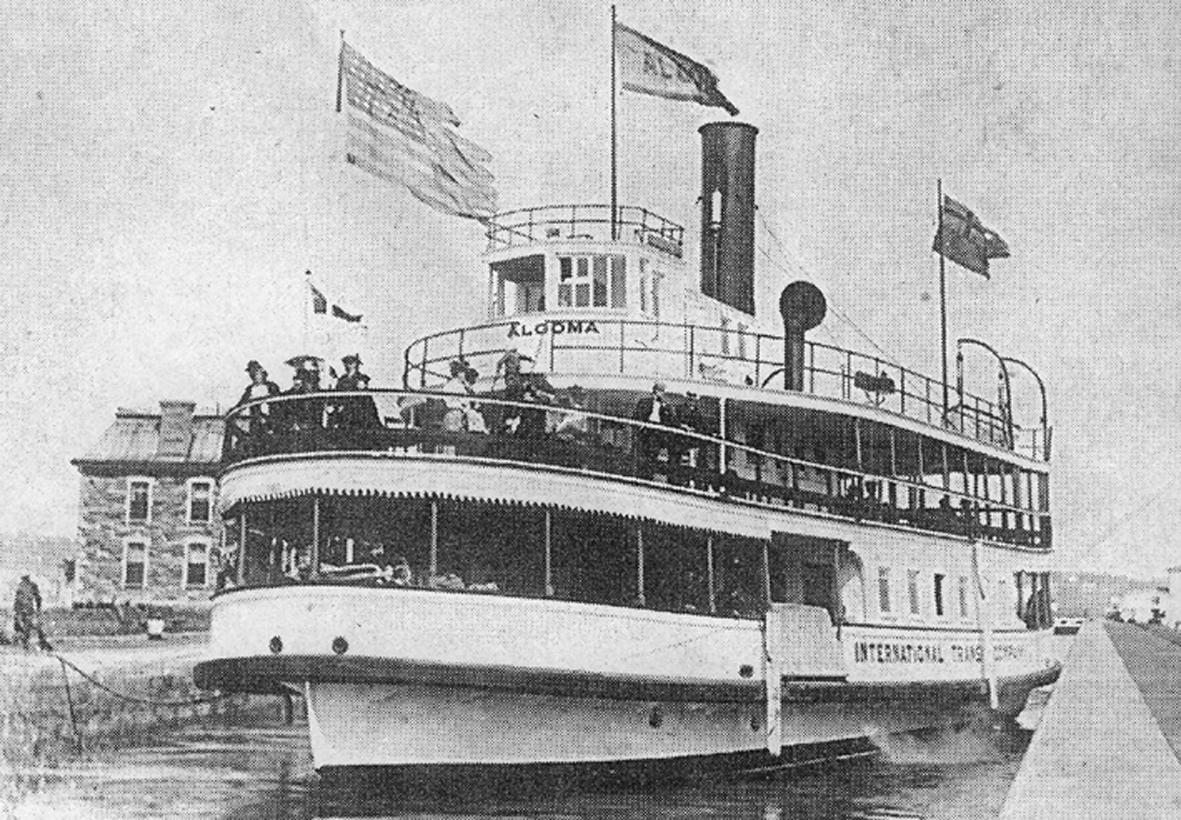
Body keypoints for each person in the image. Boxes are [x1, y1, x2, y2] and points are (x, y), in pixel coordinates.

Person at [632, 381, 672, 478]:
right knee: (642, 452)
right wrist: (640, 425)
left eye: (662, 391)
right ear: (654, 391)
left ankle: (649, 476)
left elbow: (669, 420)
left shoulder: (666, 405)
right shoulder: (644, 401)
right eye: (658, 390)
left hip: (657, 430)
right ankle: (639, 476)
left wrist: (665, 408)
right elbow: (636, 415)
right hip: (646, 428)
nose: (660, 393)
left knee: (653, 454)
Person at [236, 361, 280, 445]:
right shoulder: (250, 389)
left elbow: (277, 401)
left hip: (272, 421)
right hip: (257, 423)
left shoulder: (272, 386)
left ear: (262, 373)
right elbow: (241, 404)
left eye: (256, 372)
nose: (253, 376)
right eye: (251, 373)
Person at [332, 354, 381, 430]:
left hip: (359, 411)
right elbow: (337, 394)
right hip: (345, 411)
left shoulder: (361, 378)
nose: (348, 366)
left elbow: (363, 392)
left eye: (351, 363)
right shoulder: (342, 380)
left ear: (355, 365)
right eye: (346, 363)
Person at [13, 574, 52, 651]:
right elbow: (37, 598)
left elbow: (17, 601)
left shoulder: (21, 586)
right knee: (32, 627)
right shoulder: (27, 586)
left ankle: (32, 644)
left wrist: (17, 612)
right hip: (26, 610)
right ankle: (31, 644)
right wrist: (38, 608)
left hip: (25, 610)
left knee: (32, 627)